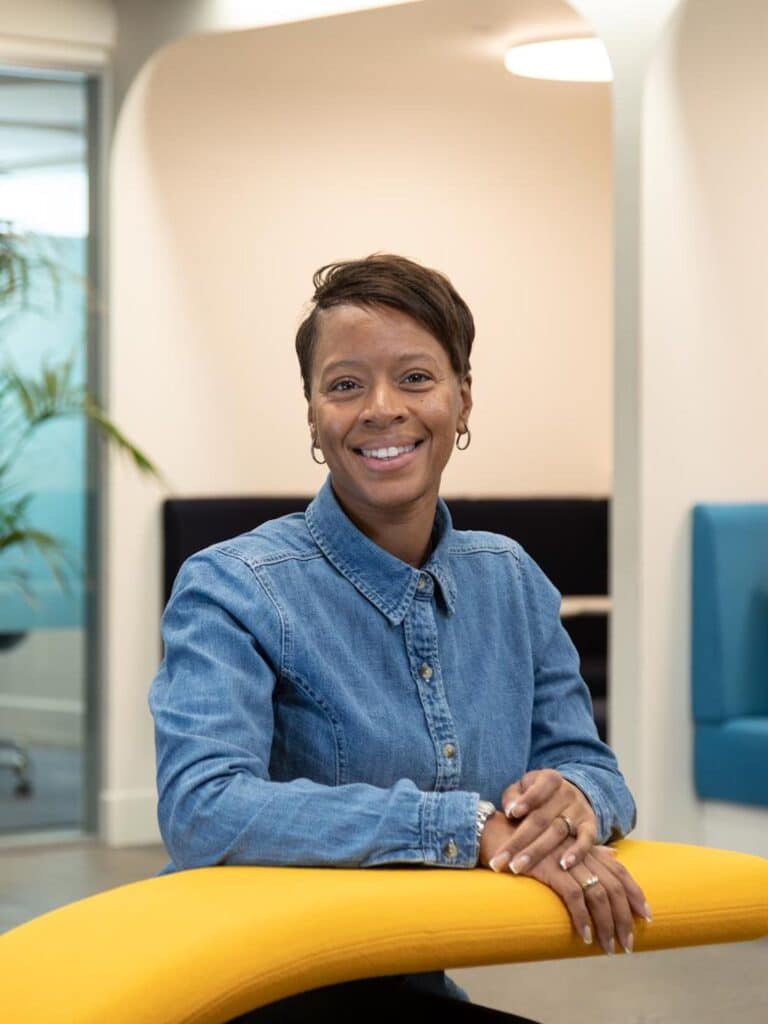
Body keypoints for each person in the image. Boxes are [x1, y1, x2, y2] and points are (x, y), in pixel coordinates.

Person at [149, 254, 649, 1022]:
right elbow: (202, 808)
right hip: (242, 989)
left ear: (463, 398)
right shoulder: (232, 585)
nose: (382, 408)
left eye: (415, 377)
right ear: (314, 413)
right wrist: (470, 826)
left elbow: (592, 766)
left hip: (404, 985)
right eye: (345, 385)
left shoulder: (511, 581)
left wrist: (575, 803)